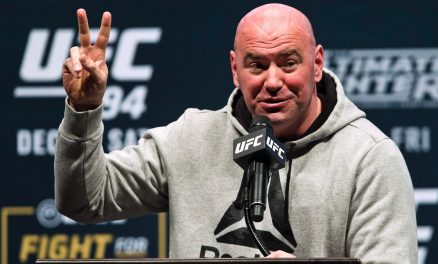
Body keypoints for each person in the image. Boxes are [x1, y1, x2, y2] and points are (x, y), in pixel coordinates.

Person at [55, 3, 418, 263]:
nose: (273, 81)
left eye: (289, 63)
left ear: (317, 64)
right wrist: (84, 112)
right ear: (234, 69)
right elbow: (85, 200)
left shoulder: (369, 159)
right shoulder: (191, 139)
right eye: (256, 65)